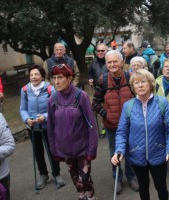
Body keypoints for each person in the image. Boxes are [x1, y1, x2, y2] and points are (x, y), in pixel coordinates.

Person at [111, 69, 169, 200]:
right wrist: (119, 149)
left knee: (161, 187)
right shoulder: (128, 106)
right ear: (133, 86)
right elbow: (122, 131)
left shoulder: (162, 103)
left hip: (159, 154)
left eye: (143, 82)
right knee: (143, 187)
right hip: (136, 154)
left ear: (151, 84)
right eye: (136, 83)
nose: (140, 85)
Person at [47, 64, 98, 200]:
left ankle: (91, 196)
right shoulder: (53, 99)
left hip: (83, 148)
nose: (56, 81)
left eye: (60, 77)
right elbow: (51, 127)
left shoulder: (81, 96)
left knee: (84, 177)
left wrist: (92, 149)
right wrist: (54, 150)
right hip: (64, 149)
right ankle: (81, 196)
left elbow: (91, 125)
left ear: (69, 78)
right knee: (75, 177)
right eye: (54, 78)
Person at [92, 50, 139, 194]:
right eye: (109, 62)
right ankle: (117, 179)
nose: (112, 64)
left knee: (131, 152)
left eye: (115, 61)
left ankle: (131, 177)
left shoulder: (130, 77)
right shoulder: (103, 80)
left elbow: (139, 98)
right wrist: (107, 114)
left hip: (130, 125)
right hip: (112, 126)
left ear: (122, 62)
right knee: (115, 153)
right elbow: (95, 103)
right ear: (106, 64)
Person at [19, 65, 64, 190]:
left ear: (42, 76)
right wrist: (27, 119)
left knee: (52, 150)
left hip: (48, 126)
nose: (34, 77)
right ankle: (43, 174)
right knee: (38, 152)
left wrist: (44, 117)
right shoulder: (25, 90)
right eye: (31, 75)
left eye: (36, 74)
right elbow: (22, 108)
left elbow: (56, 108)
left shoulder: (50, 89)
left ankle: (57, 173)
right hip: (33, 128)